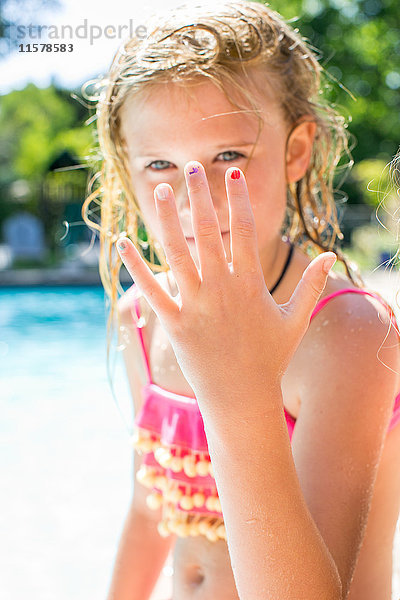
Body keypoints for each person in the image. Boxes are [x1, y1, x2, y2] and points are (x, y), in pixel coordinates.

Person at [81, 1, 400, 598]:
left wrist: (236, 390)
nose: (189, 195)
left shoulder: (348, 334)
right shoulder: (142, 320)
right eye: (159, 165)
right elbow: (152, 512)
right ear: (126, 170)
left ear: (297, 149)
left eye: (228, 157)